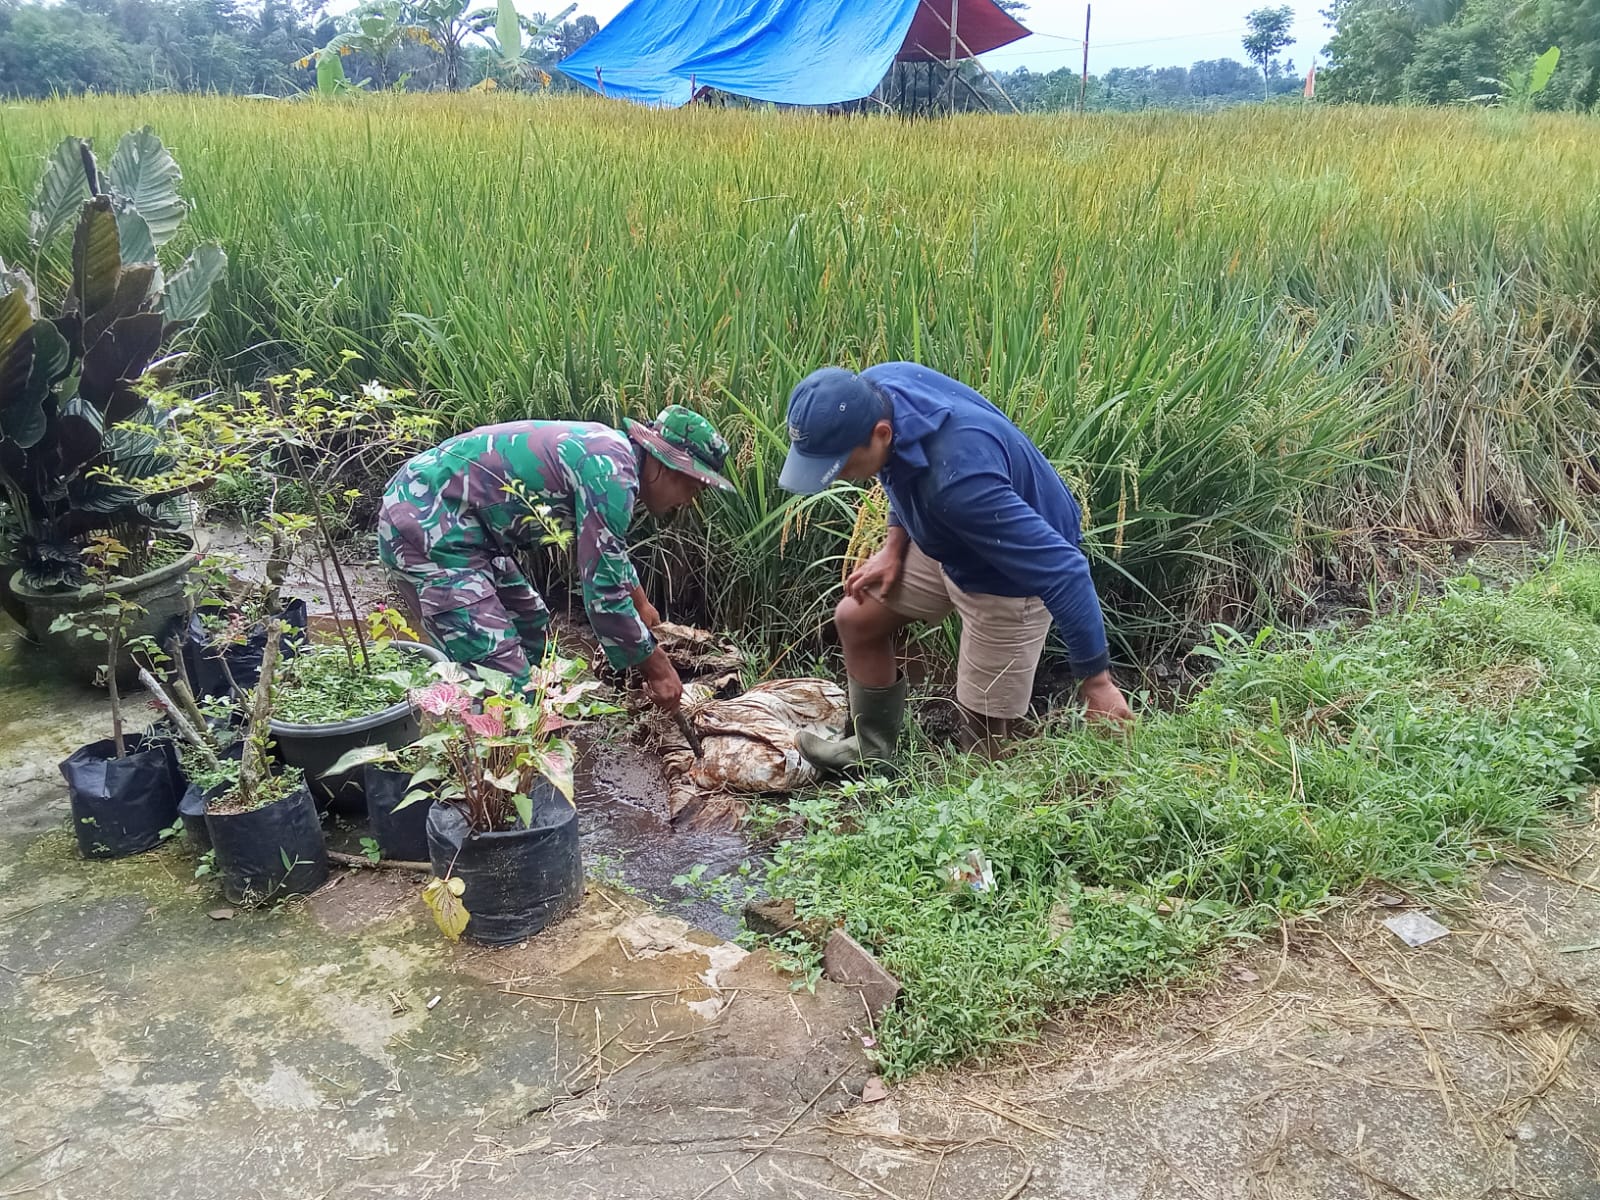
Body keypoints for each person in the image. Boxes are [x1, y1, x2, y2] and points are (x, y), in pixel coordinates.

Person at [778, 363, 1132, 768]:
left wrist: (1097, 682)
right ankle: (871, 752)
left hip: (1008, 575)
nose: (838, 476)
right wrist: (894, 546)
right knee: (856, 617)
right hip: (948, 538)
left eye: (841, 464)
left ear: (881, 434)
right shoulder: (879, 389)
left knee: (981, 731)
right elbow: (899, 469)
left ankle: (996, 806)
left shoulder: (960, 483)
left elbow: (1065, 569)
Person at [377, 406, 733, 710]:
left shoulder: (613, 456)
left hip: (469, 530)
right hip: (426, 526)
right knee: (500, 676)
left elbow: (606, 547)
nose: (688, 500)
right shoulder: (612, 474)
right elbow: (603, 592)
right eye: (693, 487)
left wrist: (639, 599)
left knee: (534, 630)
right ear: (665, 466)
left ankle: (536, 733)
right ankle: (496, 763)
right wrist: (657, 669)